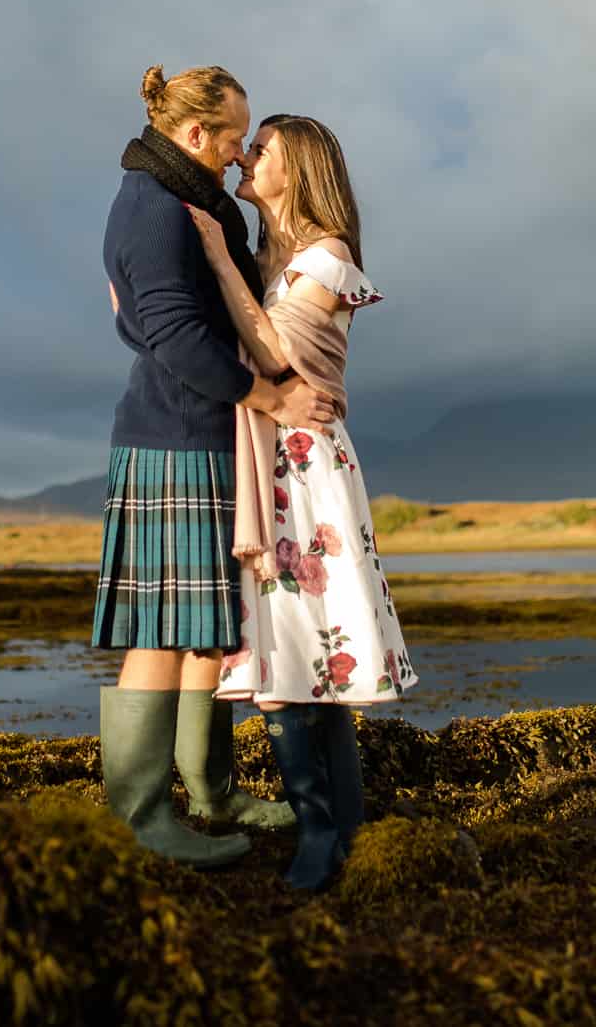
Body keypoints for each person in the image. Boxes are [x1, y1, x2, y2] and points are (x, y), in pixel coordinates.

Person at [96, 65, 339, 868]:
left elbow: (152, 322)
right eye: (235, 135)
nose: (240, 153)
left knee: (205, 627)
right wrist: (268, 397)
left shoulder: (180, 203)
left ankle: (208, 790)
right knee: (163, 631)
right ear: (195, 134)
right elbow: (171, 333)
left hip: (200, 431)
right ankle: (140, 815)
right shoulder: (156, 208)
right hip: (174, 436)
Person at [190, 113, 418, 890]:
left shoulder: (328, 257)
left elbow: (275, 354)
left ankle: (326, 830)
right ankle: (331, 825)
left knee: (304, 641)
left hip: (306, 467)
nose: (246, 158)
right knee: (287, 646)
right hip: (263, 464)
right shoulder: (271, 258)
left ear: (301, 170)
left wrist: (220, 264)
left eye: (261, 151)